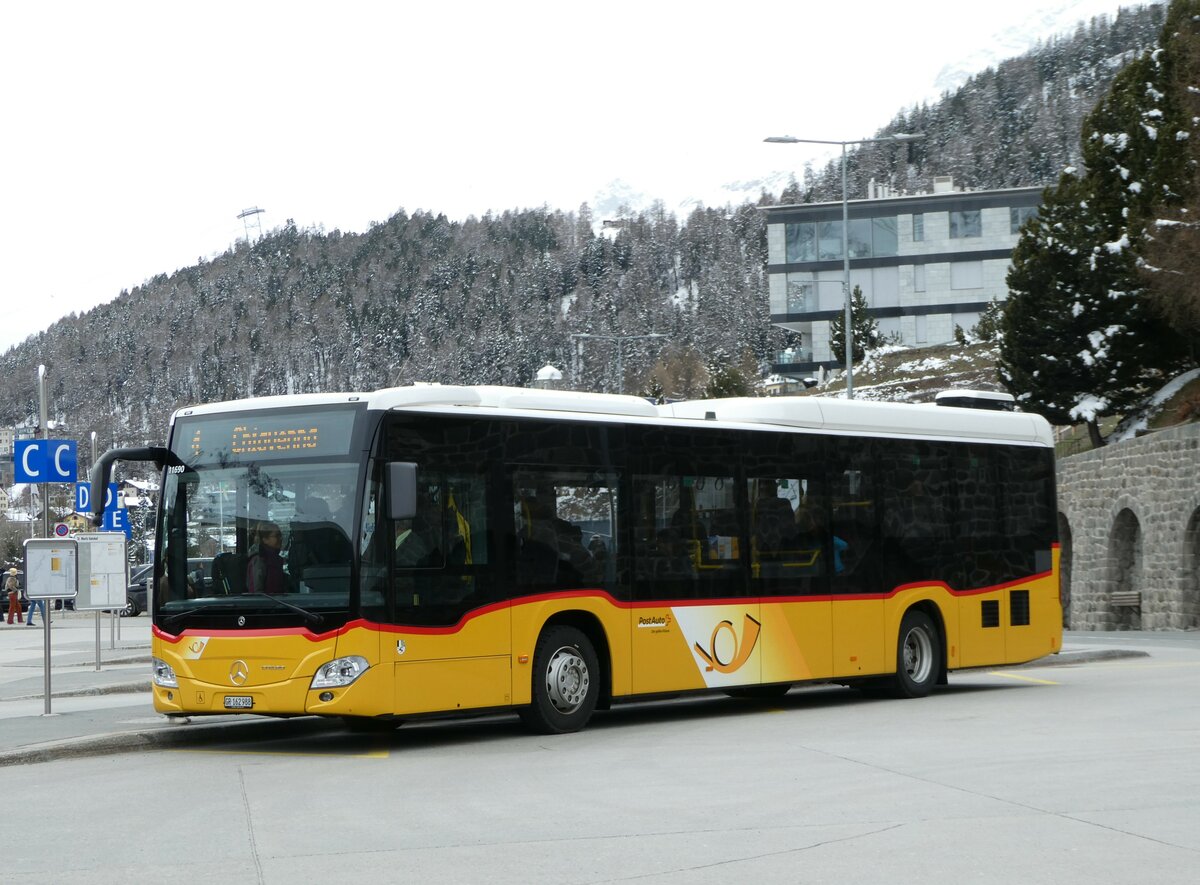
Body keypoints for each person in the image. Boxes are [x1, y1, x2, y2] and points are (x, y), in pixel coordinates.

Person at [246, 521, 287, 594]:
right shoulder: (258, 560)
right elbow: (256, 593)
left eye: (280, 535)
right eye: (276, 535)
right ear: (265, 540)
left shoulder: (276, 559)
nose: (280, 538)